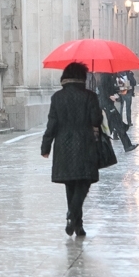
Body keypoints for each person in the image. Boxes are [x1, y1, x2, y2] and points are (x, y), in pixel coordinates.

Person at [41, 62, 102, 238]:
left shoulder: (57, 97)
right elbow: (96, 120)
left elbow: (52, 124)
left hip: (63, 146)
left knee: (71, 185)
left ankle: (77, 224)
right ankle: (73, 215)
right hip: (85, 145)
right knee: (84, 182)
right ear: (82, 77)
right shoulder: (89, 96)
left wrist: (46, 146)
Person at [96, 73, 139, 153]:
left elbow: (110, 88)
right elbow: (102, 89)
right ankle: (127, 143)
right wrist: (109, 96)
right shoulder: (105, 77)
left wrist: (119, 89)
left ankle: (127, 144)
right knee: (117, 124)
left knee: (114, 124)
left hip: (108, 104)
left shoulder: (110, 76)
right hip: (107, 104)